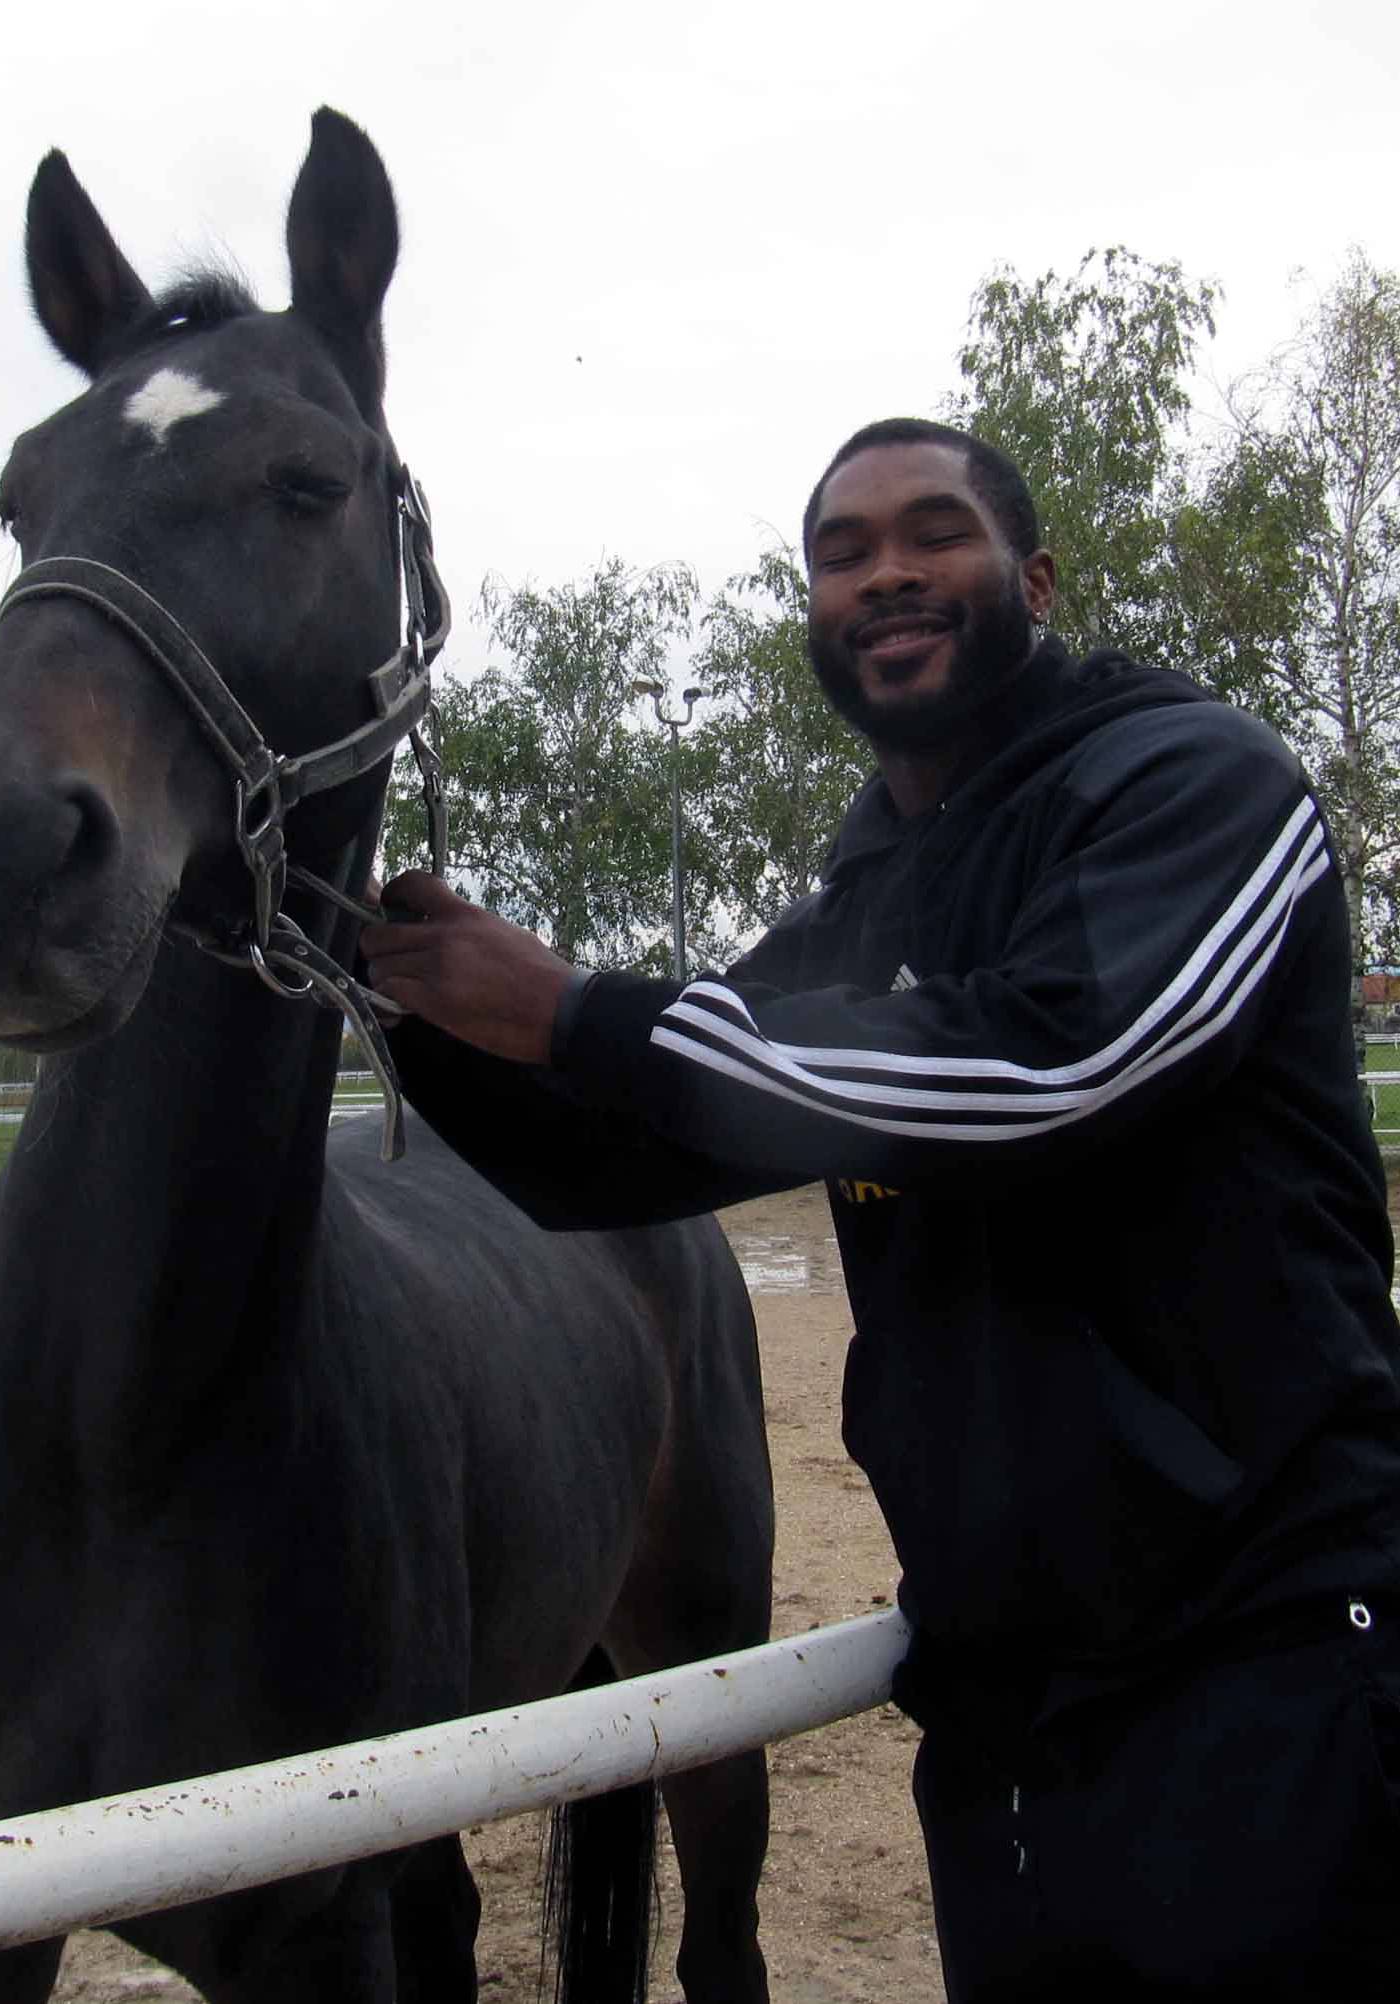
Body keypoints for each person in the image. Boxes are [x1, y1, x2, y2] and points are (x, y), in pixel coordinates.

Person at [360, 417, 1400, 2000]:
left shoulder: (1201, 783)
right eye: (842, 555)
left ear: (1035, 581)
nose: (888, 574)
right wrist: (406, 998)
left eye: (933, 534)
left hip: (1264, 1667)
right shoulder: (870, 892)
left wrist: (572, 1006)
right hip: (995, 1697)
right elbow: (637, 1151)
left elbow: (1056, 1068)